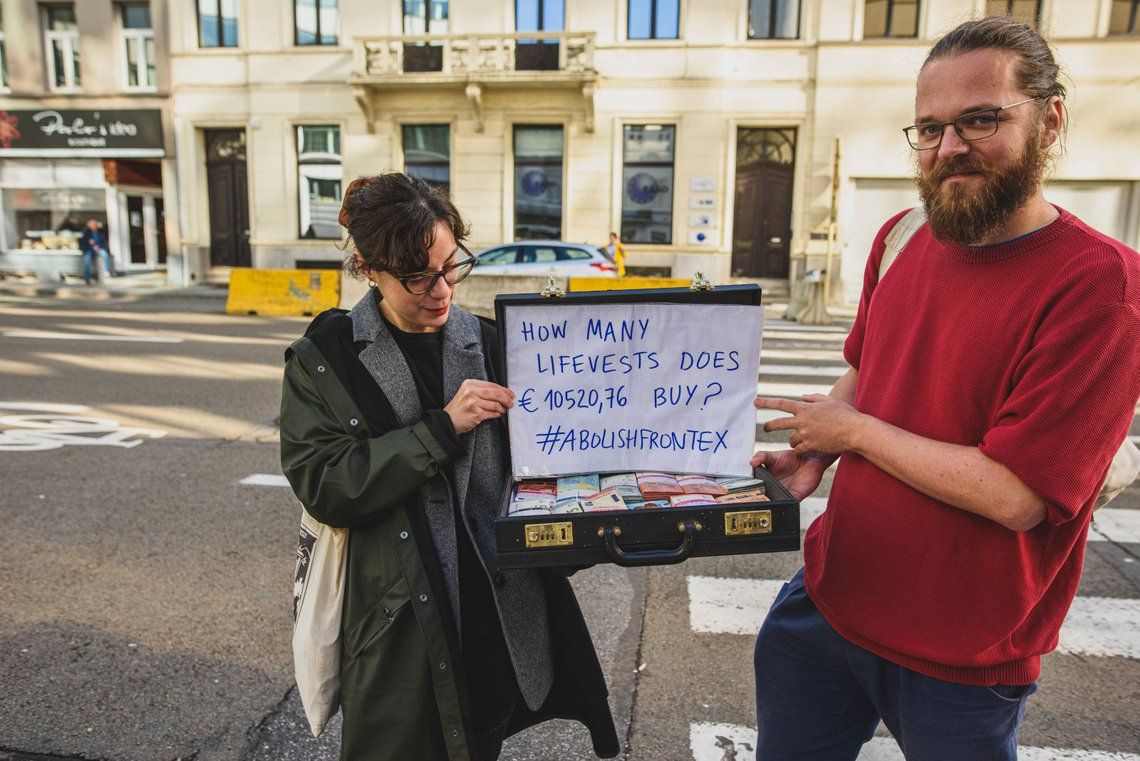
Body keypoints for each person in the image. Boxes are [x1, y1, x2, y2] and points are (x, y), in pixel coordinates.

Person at [751, 16, 1140, 761]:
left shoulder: (1102, 287)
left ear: (1049, 121)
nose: (950, 149)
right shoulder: (901, 235)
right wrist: (817, 453)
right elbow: (867, 371)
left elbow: (1018, 494)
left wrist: (854, 434)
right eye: (929, 129)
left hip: (963, 656)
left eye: (981, 120)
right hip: (829, 603)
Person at [279, 172, 619, 761]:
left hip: (495, 610)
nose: (441, 290)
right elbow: (325, 484)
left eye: (450, 265)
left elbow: (541, 473)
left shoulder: (492, 342)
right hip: (398, 622)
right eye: (416, 276)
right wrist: (440, 428)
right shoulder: (326, 358)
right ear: (366, 267)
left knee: (482, 736)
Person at [78, 219, 116, 284]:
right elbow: (81, 242)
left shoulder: (100, 232)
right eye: (90, 225)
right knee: (87, 262)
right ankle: (87, 278)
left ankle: (107, 271)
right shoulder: (86, 232)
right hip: (89, 250)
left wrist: (99, 246)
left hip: (98, 249)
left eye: (93, 225)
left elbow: (104, 242)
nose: (92, 226)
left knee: (105, 254)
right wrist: (88, 242)